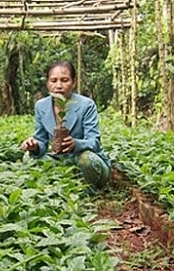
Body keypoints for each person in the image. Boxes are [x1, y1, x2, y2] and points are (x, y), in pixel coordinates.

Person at [20, 60, 111, 189]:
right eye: (53, 80)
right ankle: (54, 189)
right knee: (28, 158)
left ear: (73, 82)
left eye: (64, 80)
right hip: (59, 160)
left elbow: (94, 142)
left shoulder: (86, 105)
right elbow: (41, 140)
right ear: (47, 83)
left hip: (85, 160)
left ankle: (89, 192)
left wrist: (76, 144)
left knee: (86, 160)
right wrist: (34, 146)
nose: (58, 86)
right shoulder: (41, 106)